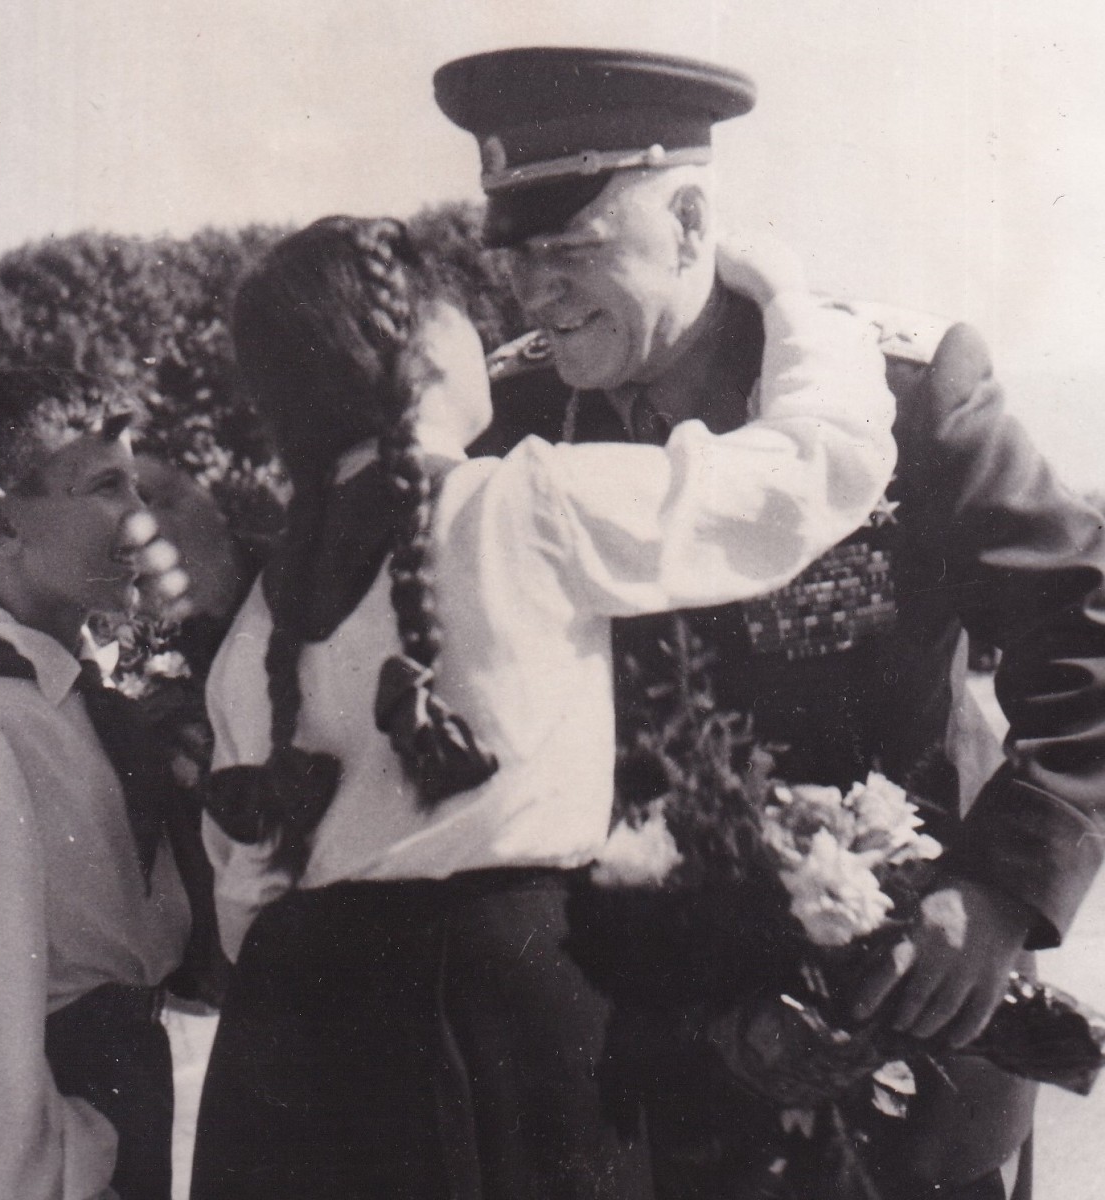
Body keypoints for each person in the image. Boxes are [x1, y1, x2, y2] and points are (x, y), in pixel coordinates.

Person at [433, 45, 1105, 1200]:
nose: (537, 293)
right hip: (633, 1064)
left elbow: (1086, 629)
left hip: (898, 1036)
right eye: (519, 259)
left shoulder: (902, 391)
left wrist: (1000, 889)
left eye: (573, 250)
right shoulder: (508, 424)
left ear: (690, 219)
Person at [189, 214, 895, 1200]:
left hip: (295, 1039)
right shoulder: (521, 505)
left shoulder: (261, 617)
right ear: (424, 345)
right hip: (499, 1018)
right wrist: (791, 305)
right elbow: (804, 482)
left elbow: (242, 897)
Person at [0, 367, 195, 1200]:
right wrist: (58, 1173)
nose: (138, 516)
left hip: (115, 1087)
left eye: (136, 483)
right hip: (37, 1147)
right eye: (106, 486)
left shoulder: (79, 701)